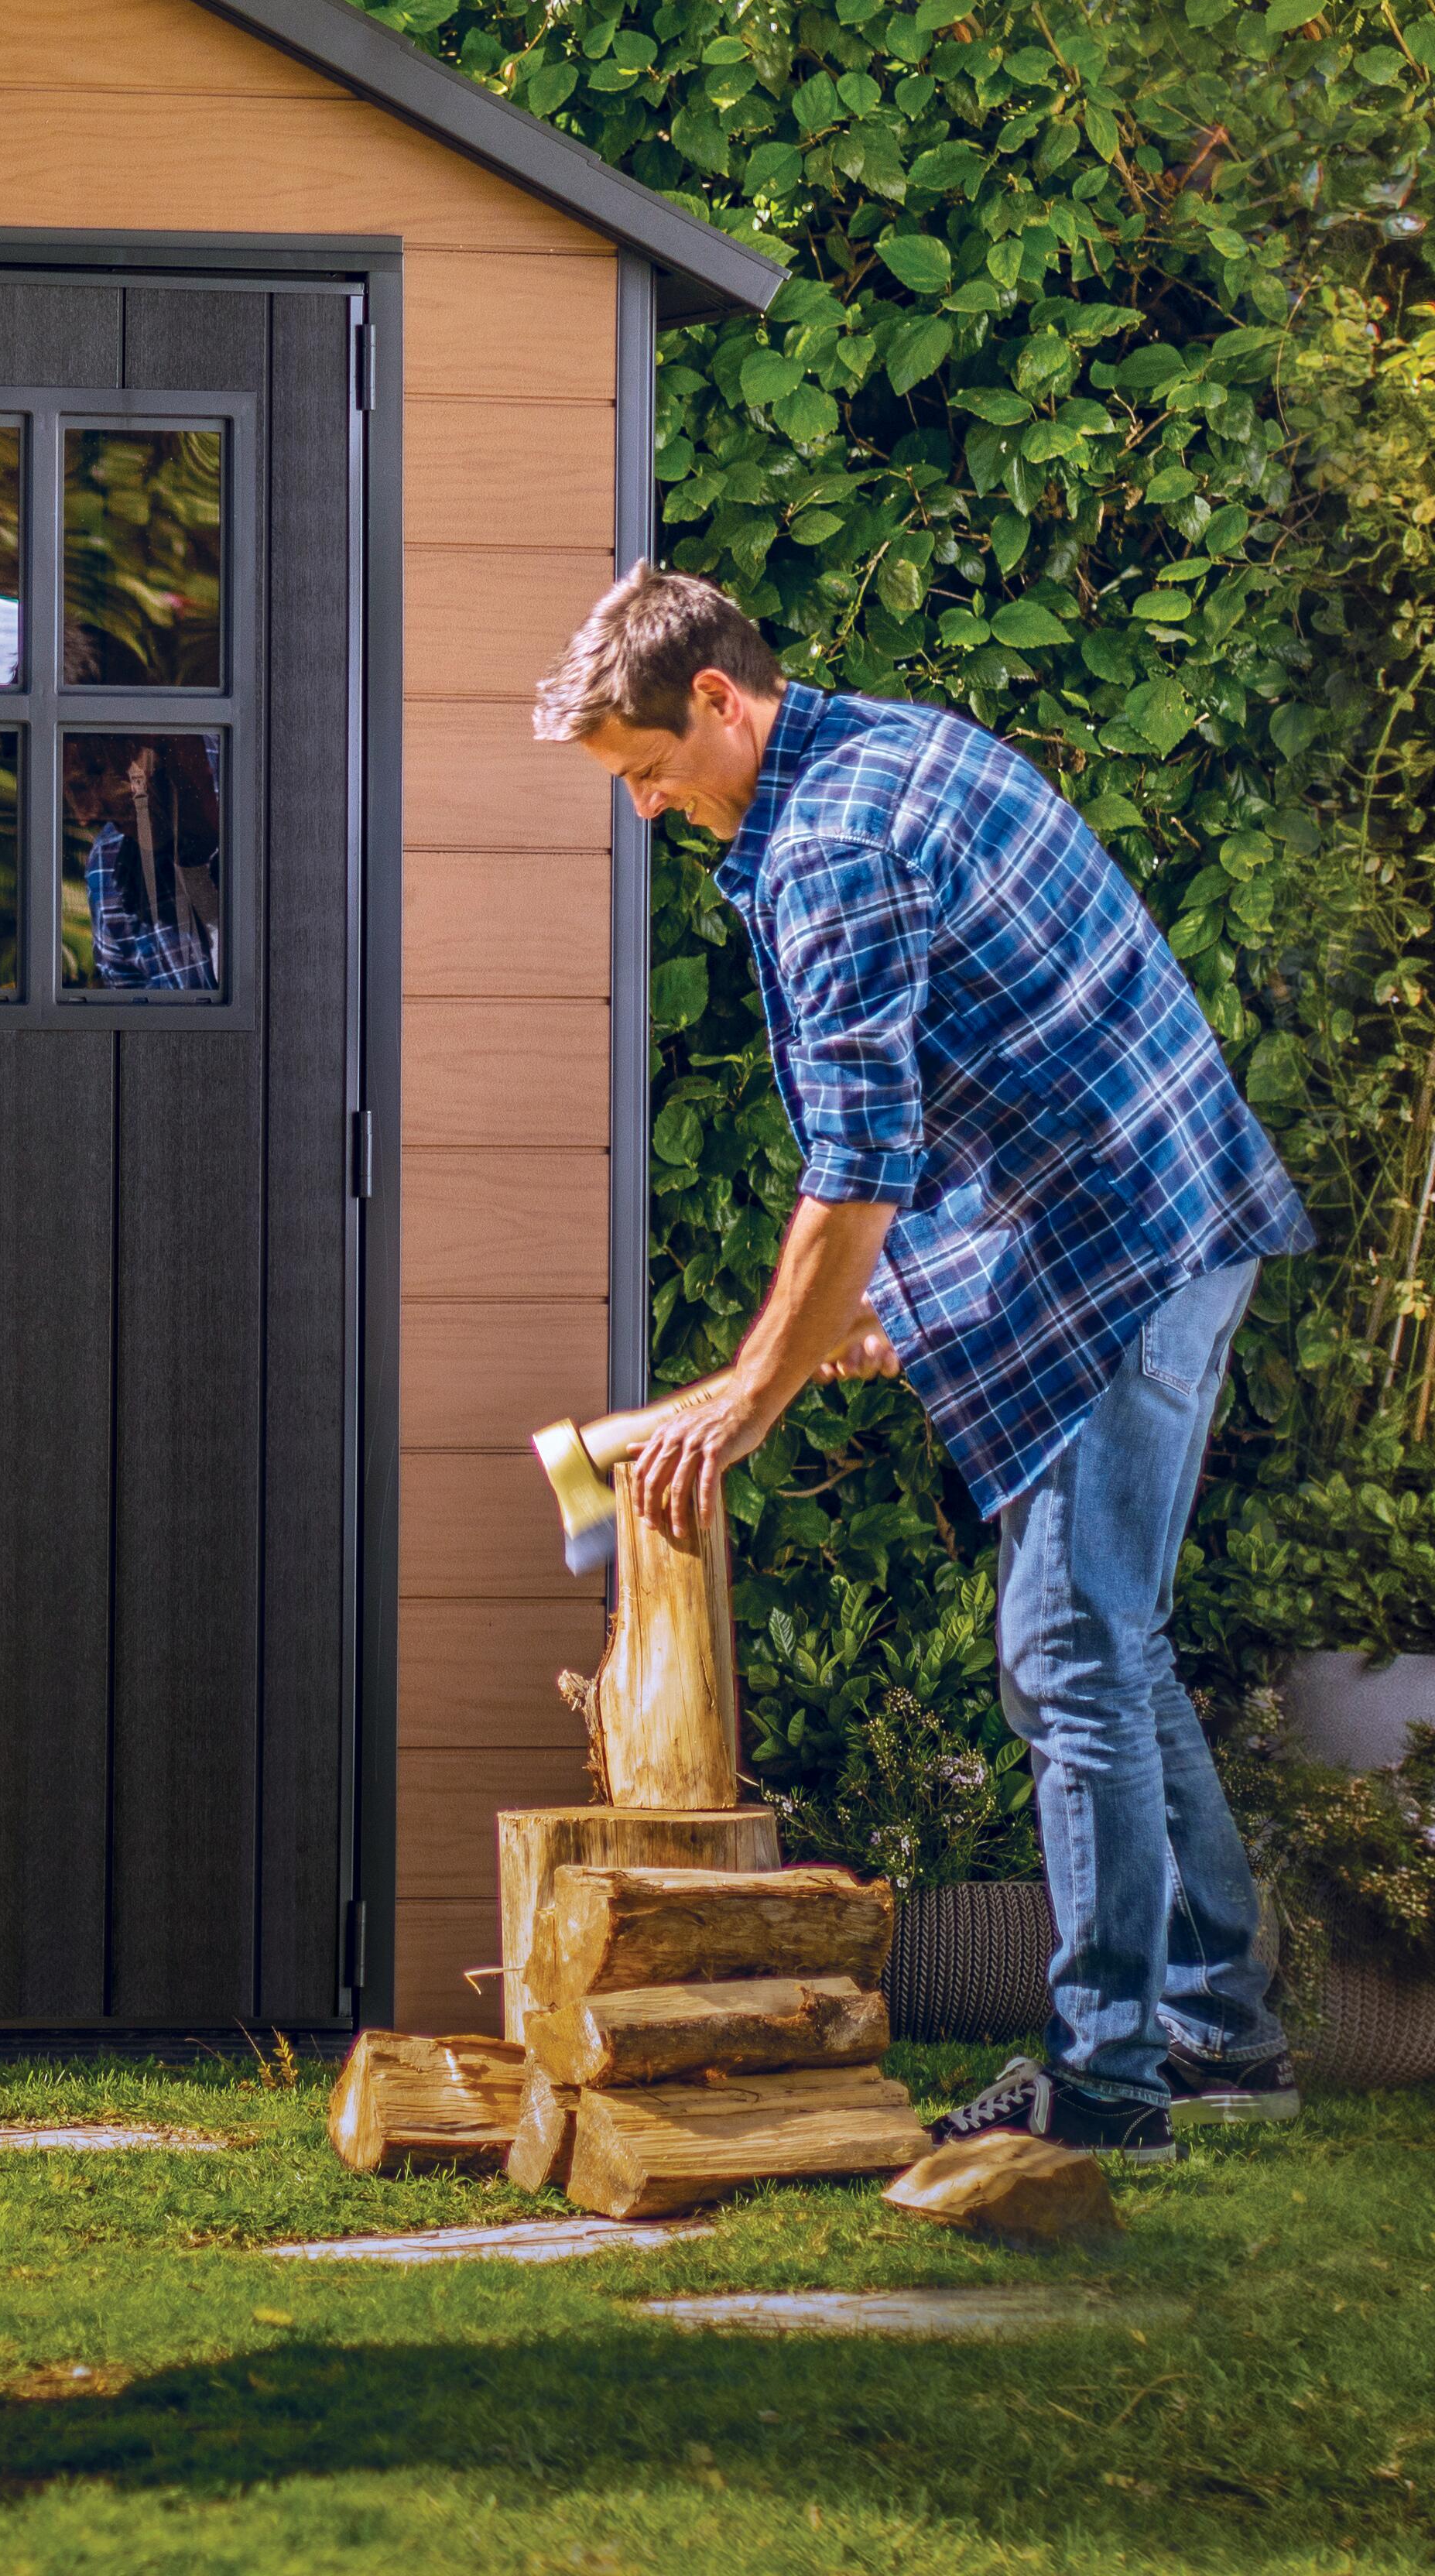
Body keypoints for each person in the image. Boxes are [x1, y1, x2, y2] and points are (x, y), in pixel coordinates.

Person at [534, 563, 1313, 2161]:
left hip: (1120, 1240)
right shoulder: (885, 746)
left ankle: (1111, 2084)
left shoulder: (828, 850)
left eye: (647, 771)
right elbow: (1000, 1053)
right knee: (1117, 1639)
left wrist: (750, 1397)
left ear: (717, 703)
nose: (647, 808)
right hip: (1152, 1196)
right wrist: (900, 1304)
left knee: (1071, 1650)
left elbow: (855, 1174)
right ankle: (1221, 2028)